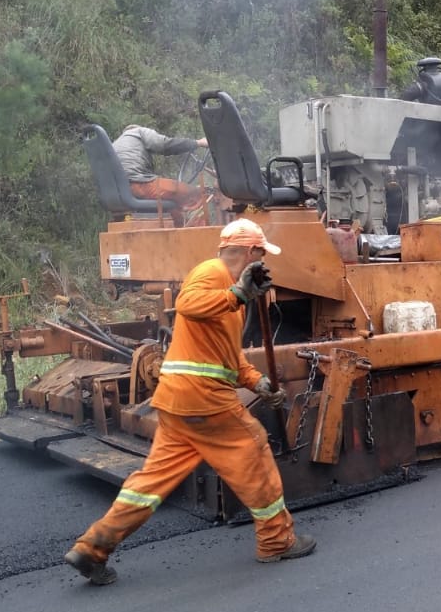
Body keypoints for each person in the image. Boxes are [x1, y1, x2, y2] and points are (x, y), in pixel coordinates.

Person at [64, 217, 316, 585]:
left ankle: (93, 547)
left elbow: (228, 356)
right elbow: (188, 303)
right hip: (204, 401)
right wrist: (238, 295)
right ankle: (277, 541)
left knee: (149, 483)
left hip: (177, 404)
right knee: (255, 453)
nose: (264, 262)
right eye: (261, 254)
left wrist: (258, 382)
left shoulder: (231, 295)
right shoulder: (212, 273)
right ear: (250, 252)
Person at [113, 124, 212, 226]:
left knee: (173, 209)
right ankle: (206, 237)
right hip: (140, 185)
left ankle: (180, 233)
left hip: (121, 192)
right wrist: (198, 143)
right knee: (198, 194)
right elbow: (165, 145)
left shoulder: (116, 143)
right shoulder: (139, 132)